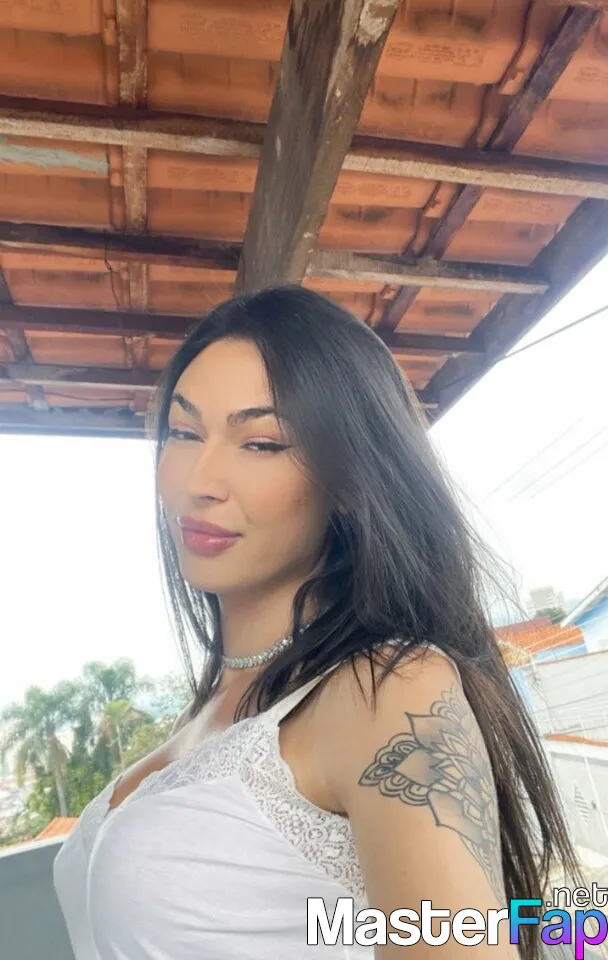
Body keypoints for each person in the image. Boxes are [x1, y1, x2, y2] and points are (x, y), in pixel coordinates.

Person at [54, 286, 578, 959]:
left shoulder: (390, 689)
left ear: (350, 482)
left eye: (262, 443)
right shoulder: (208, 710)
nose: (198, 481)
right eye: (183, 433)